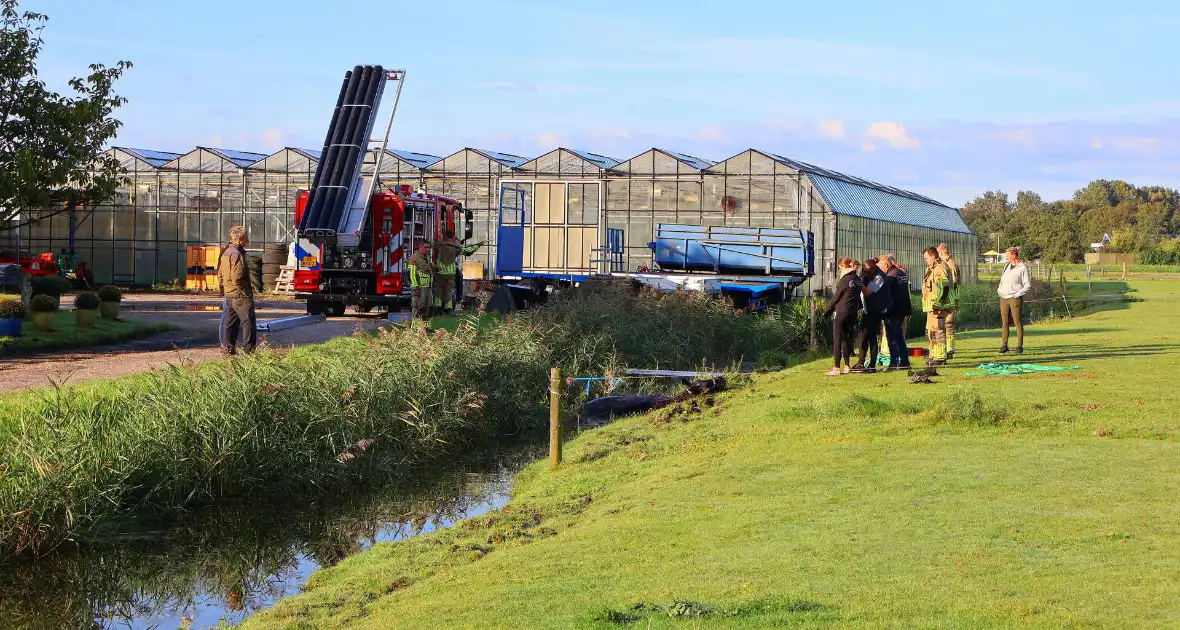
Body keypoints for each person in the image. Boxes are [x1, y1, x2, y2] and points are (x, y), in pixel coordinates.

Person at [216, 225, 257, 356]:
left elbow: (220, 274)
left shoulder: (226, 252)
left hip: (229, 295)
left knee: (229, 324)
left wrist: (223, 288)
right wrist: (246, 293)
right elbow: (237, 277)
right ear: (240, 240)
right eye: (246, 239)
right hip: (240, 295)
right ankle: (249, 352)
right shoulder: (237, 254)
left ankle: (227, 350)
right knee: (248, 322)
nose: (247, 242)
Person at [823, 257, 862, 376]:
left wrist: (827, 310)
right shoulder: (857, 279)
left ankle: (836, 367)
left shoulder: (845, 279)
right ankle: (847, 365)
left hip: (841, 312)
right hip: (852, 312)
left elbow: (837, 296)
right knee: (845, 339)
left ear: (843, 266)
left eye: (840, 267)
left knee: (837, 339)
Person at [432, 229, 484, 315]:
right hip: (450, 273)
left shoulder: (439, 245)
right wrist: (478, 245)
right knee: (449, 290)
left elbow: (429, 244)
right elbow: (468, 251)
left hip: (439, 272)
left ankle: (437, 308)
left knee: (438, 291)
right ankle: (449, 308)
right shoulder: (455, 247)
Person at [854, 258, 892, 373]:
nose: (865, 273)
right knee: (862, 336)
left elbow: (867, 292)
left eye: (867, 272)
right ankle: (861, 363)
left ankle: (872, 365)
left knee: (872, 338)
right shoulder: (867, 274)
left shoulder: (879, 277)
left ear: (873, 269)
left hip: (877, 311)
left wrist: (859, 283)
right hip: (868, 310)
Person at [877, 254, 911, 370]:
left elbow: (874, 289)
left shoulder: (889, 277)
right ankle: (904, 360)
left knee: (893, 337)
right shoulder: (901, 274)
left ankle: (894, 362)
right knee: (899, 335)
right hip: (903, 309)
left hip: (893, 311)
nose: (879, 269)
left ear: (886, 265)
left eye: (880, 266)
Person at [921, 247, 953, 366]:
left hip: (938, 306)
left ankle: (940, 357)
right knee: (931, 331)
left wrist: (938, 304)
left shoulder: (939, 268)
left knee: (938, 330)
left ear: (934, 256)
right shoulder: (932, 268)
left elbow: (944, 287)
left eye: (927, 258)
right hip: (931, 306)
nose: (926, 260)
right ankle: (934, 354)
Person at [997, 246, 1031, 354]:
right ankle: (1004, 345)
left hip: (1014, 298)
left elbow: (1027, 284)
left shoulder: (1022, 267)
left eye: (1008, 254)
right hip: (1003, 297)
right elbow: (1003, 279)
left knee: (1017, 322)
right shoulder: (1006, 265)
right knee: (1004, 323)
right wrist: (999, 290)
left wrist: (1018, 294)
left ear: (1014, 255)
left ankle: (1019, 346)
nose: (1006, 257)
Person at [937, 243, 962, 359]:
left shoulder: (950, 264)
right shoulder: (947, 262)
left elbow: (955, 284)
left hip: (949, 299)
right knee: (947, 325)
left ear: (941, 252)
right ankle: (948, 348)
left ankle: (950, 349)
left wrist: (955, 300)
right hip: (949, 298)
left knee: (948, 325)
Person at [407, 240, 435, 320]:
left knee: (427, 309)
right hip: (419, 288)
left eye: (429, 247)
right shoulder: (414, 258)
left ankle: (426, 328)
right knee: (418, 309)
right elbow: (412, 274)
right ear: (420, 247)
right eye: (425, 247)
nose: (427, 249)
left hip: (428, 288)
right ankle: (416, 328)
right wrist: (415, 288)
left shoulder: (427, 258)